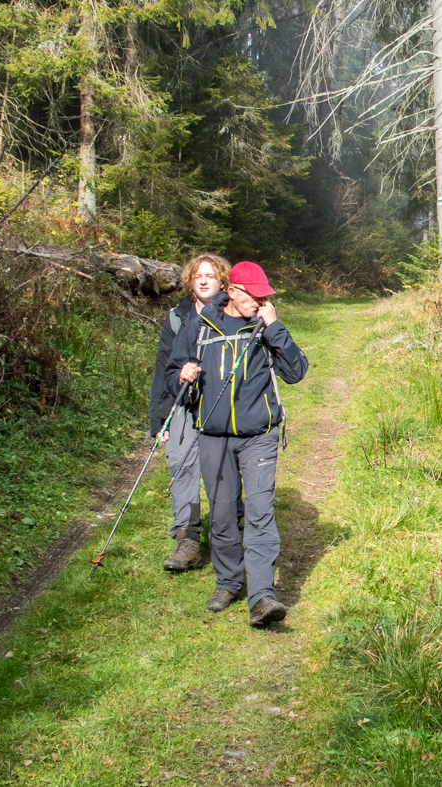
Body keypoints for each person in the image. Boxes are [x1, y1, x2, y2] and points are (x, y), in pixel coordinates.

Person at [165, 261, 308, 626]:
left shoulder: (264, 328)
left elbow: (296, 371)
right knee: (224, 513)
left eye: (265, 296)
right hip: (213, 434)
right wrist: (183, 373)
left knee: (260, 513)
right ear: (232, 291)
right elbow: (172, 373)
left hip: (259, 434)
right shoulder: (200, 326)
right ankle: (228, 581)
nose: (260, 302)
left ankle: (262, 595)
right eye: (255, 295)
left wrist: (274, 327)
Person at [148, 253, 232, 572]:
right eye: (198, 275)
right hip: (183, 404)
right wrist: (159, 418)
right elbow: (162, 368)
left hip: (221, 405)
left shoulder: (232, 312)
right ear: (190, 281)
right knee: (181, 467)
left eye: (211, 275)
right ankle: (188, 541)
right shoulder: (177, 316)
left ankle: (229, 533)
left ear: (222, 280)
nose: (204, 280)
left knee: (222, 471)